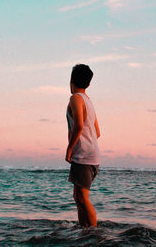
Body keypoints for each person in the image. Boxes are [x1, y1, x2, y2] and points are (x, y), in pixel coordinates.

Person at [65, 64, 101, 228]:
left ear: (71, 80)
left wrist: (70, 148)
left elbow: (79, 125)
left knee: (82, 198)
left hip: (83, 156)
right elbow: (97, 132)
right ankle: (83, 231)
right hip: (92, 155)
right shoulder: (88, 101)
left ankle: (94, 234)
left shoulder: (76, 98)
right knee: (78, 197)